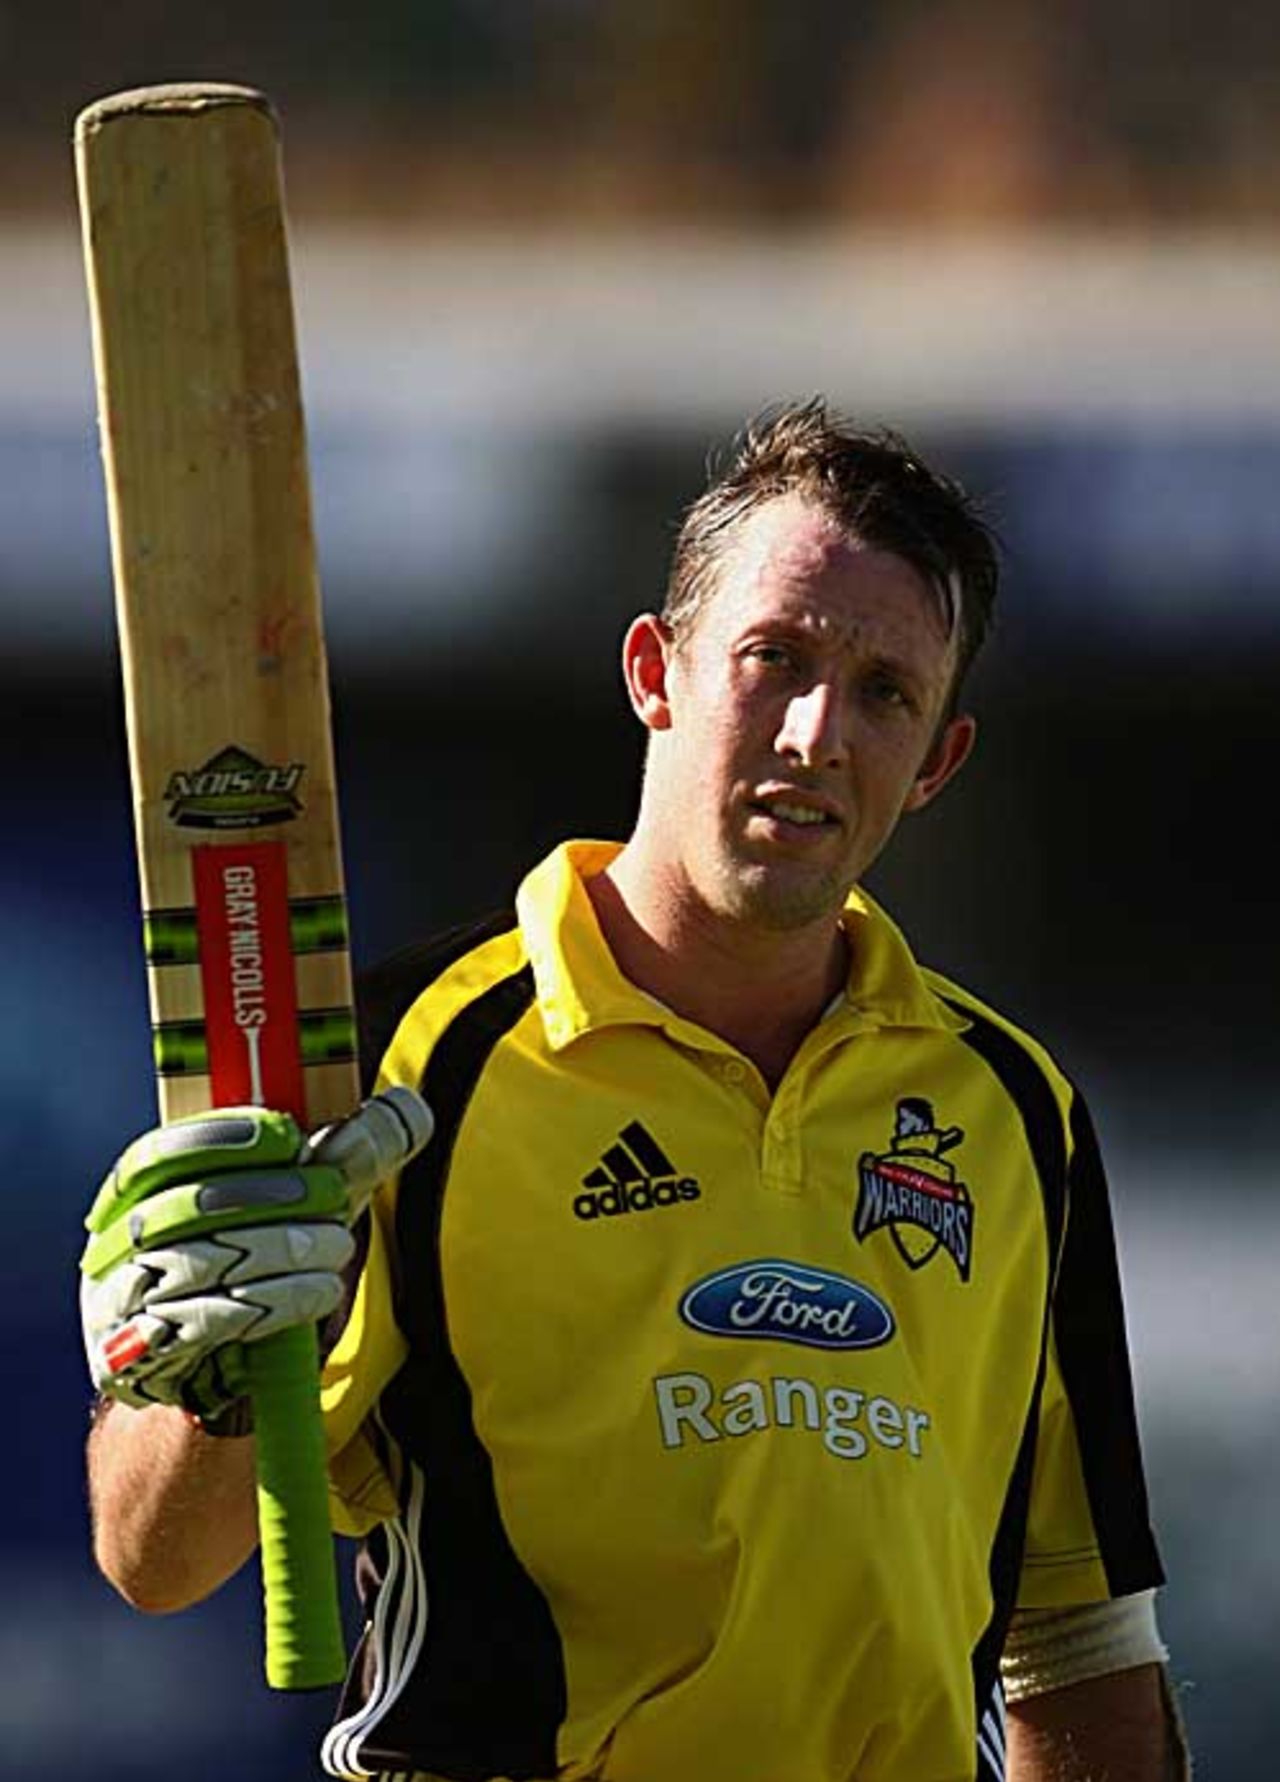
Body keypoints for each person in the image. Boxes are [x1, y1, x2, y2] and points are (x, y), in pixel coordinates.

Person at [82, 399, 1189, 1782]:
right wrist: (202, 1383)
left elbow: (1077, 1637)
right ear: (655, 673)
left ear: (937, 766)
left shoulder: (1015, 1106)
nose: (814, 732)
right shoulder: (401, 1063)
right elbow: (152, 1558)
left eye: (885, 693)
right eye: (772, 658)